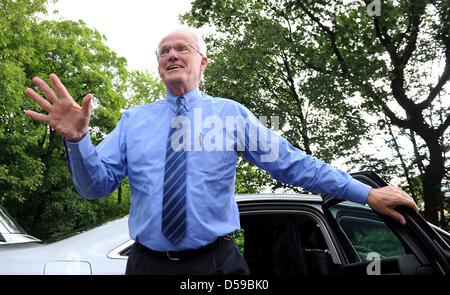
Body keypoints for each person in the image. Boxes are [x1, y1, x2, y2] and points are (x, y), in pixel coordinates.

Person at [25, 27, 419, 275]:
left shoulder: (230, 116)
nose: (172, 55)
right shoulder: (133, 121)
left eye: (183, 48)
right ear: (159, 67)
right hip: (146, 266)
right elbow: (94, 187)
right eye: (164, 51)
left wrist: (364, 193)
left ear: (202, 62)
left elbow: (292, 165)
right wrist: (78, 142)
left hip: (218, 266)